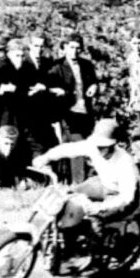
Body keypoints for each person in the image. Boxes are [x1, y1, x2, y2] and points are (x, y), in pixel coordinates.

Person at [32, 118, 140, 224]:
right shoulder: (93, 147)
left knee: (96, 221)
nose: (99, 149)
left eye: (103, 146)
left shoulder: (125, 162)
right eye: (97, 144)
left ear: (113, 144)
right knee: (69, 196)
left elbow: (127, 197)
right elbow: (67, 149)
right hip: (103, 183)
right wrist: (45, 158)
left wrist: (100, 207)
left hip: (122, 195)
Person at [48, 34, 98, 183]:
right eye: (71, 47)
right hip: (67, 112)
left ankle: (74, 179)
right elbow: (49, 87)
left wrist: (94, 87)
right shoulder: (56, 66)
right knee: (77, 144)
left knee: (82, 144)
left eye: (77, 48)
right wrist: (58, 92)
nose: (74, 51)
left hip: (85, 111)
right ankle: (78, 181)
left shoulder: (86, 65)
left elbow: (94, 81)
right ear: (64, 48)